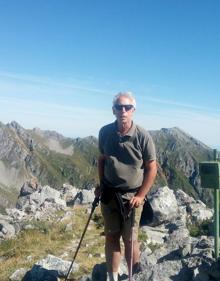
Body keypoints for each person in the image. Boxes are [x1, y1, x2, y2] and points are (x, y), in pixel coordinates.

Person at [95, 92, 157, 281]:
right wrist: (101, 184)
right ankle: (112, 277)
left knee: (130, 241)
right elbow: (102, 160)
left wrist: (141, 195)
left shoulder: (142, 136)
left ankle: (134, 277)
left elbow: (151, 168)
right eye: (119, 107)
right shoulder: (105, 132)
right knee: (111, 236)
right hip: (109, 194)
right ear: (113, 110)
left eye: (127, 107)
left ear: (133, 110)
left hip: (132, 198)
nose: (123, 111)